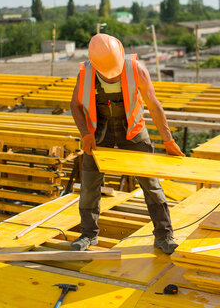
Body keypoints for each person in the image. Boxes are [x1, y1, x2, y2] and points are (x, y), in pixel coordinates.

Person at [70, 33, 184, 254]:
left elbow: (153, 104)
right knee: (89, 185)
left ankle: (164, 235)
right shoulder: (85, 74)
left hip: (132, 130)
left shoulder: (137, 70)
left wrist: (168, 140)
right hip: (98, 132)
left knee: (151, 184)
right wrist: (85, 134)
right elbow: (74, 105)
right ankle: (88, 234)